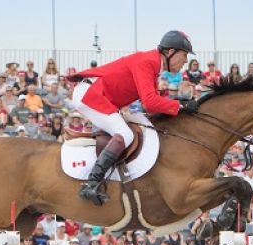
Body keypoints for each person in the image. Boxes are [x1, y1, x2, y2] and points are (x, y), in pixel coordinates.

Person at [68, 30, 196, 205]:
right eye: (184, 55)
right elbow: (150, 103)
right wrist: (180, 106)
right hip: (91, 94)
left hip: (99, 96)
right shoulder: (147, 61)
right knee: (126, 134)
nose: (186, 61)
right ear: (170, 51)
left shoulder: (153, 65)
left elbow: (151, 102)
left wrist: (178, 103)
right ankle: (91, 184)